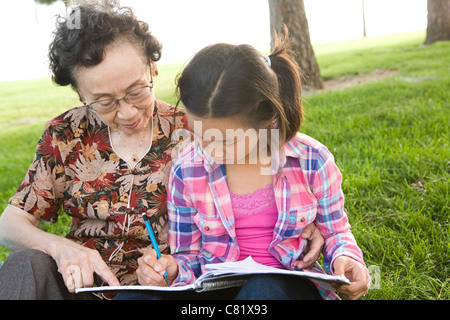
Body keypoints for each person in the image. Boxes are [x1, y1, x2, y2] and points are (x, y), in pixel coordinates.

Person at [0, 1, 323, 300]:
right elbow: (9, 225)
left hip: (169, 291)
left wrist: (310, 226)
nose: (127, 113)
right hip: (81, 288)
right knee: (24, 264)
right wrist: (60, 248)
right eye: (104, 102)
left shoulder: (201, 132)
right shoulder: (65, 135)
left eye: (136, 91)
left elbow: (280, 167)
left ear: (153, 68)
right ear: (79, 91)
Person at [131, 29, 370, 300]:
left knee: (261, 290)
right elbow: (188, 255)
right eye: (198, 134)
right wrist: (173, 270)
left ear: (268, 119)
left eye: (226, 141)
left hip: (285, 289)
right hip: (216, 290)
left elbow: (336, 232)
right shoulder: (186, 169)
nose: (208, 149)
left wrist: (348, 260)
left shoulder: (311, 161)